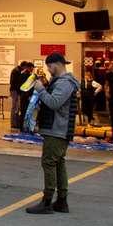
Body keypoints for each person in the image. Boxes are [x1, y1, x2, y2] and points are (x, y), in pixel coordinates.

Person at [26, 52, 80, 214]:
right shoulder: (63, 82)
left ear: (56, 64)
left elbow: (54, 103)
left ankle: (47, 201)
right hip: (58, 129)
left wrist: (41, 90)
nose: (48, 70)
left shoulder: (65, 83)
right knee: (58, 163)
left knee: (49, 162)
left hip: (57, 130)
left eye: (49, 67)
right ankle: (61, 201)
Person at [8, 60, 31, 130]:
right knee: (14, 107)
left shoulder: (19, 70)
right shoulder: (16, 71)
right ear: (23, 66)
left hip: (17, 90)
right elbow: (13, 82)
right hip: (15, 91)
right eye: (26, 67)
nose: (26, 69)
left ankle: (16, 123)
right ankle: (13, 124)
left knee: (17, 107)